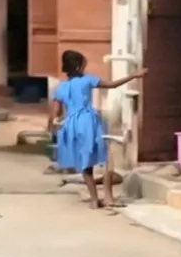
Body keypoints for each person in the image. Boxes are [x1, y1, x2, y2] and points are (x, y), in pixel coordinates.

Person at [48, 50, 147, 209]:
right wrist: (134, 75)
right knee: (107, 159)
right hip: (88, 122)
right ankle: (108, 198)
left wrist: (54, 126)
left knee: (85, 163)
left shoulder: (61, 88)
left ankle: (94, 199)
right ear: (78, 66)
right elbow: (113, 84)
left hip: (71, 125)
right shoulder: (88, 80)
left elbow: (55, 114)